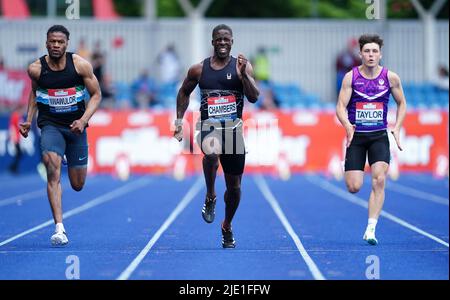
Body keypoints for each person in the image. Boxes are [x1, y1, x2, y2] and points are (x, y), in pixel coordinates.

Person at [173, 24, 259, 248]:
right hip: (209, 126)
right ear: (212, 42)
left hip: (233, 130)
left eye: (226, 39)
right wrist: (179, 121)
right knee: (211, 153)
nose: (222, 42)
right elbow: (183, 92)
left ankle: (227, 226)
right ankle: (210, 195)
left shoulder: (242, 66)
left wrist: (244, 76)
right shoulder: (199, 70)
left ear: (232, 41)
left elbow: (254, 97)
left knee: (235, 188)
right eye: (218, 39)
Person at [19, 25, 102, 246]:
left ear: (67, 44)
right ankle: (59, 228)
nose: (56, 45)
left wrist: (83, 120)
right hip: (50, 125)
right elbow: (35, 93)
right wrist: (28, 119)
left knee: (77, 184)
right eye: (52, 41)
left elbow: (96, 95)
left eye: (60, 42)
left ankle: (65, 155)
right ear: (46, 43)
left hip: (76, 128)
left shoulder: (80, 66)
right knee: (51, 167)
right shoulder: (36, 69)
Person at [336, 34, 407, 245]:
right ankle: (348, 165)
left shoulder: (391, 78)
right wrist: (348, 126)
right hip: (356, 137)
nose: (371, 55)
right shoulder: (351, 77)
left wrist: (397, 127)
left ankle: (371, 228)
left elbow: (402, 103)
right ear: (360, 54)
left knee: (379, 178)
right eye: (367, 51)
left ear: (380, 54)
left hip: (379, 136)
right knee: (354, 187)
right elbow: (340, 106)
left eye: (374, 51)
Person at [8, 104, 25, 174]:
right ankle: (13, 167)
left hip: (18, 138)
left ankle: (13, 167)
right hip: (15, 138)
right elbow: (12, 127)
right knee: (19, 153)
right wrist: (13, 137)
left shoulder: (19, 116)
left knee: (19, 154)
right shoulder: (15, 116)